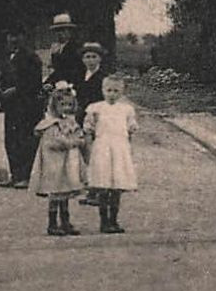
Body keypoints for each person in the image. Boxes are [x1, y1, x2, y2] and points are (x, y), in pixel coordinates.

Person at [29, 82, 87, 236]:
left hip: (68, 161)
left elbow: (79, 135)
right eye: (62, 105)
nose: (66, 108)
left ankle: (66, 221)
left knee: (65, 192)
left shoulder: (71, 122)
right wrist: (69, 143)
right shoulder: (50, 124)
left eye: (69, 105)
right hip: (54, 162)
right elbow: (51, 142)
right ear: (55, 106)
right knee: (56, 192)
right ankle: (52, 223)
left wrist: (79, 140)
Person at [82, 75, 138, 233]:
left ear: (122, 92)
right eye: (108, 90)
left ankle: (114, 220)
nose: (112, 94)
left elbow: (130, 126)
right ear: (102, 90)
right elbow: (88, 128)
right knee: (104, 184)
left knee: (117, 186)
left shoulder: (126, 109)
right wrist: (89, 145)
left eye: (116, 91)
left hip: (120, 148)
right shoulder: (96, 108)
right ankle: (104, 221)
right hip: (102, 148)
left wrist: (132, 128)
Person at [0, 34, 45, 187]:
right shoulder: (6, 57)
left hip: (27, 106)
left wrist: (15, 90)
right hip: (11, 106)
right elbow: (3, 78)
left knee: (25, 140)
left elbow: (34, 82)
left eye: (16, 37)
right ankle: (15, 174)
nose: (12, 40)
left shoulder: (31, 58)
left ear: (23, 38)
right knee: (11, 140)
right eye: (10, 37)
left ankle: (26, 176)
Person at [74, 42, 108, 206]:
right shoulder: (81, 76)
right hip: (81, 116)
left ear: (100, 58)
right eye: (87, 57)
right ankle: (91, 188)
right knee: (86, 154)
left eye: (94, 56)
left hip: (97, 118)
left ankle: (98, 191)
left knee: (96, 154)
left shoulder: (103, 78)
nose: (90, 60)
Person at [42, 13, 85, 90]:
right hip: (58, 86)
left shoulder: (77, 48)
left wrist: (55, 83)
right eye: (57, 31)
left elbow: (74, 72)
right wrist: (48, 83)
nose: (59, 33)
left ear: (70, 31)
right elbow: (57, 71)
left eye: (62, 30)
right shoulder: (57, 49)